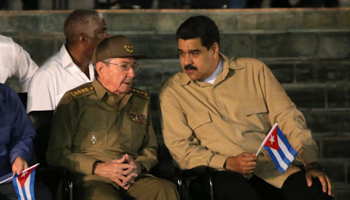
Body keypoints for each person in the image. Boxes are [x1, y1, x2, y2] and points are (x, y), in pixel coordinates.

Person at [159, 15, 334, 200]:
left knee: (317, 190)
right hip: (216, 175)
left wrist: (311, 162)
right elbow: (181, 149)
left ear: (214, 50)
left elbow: (288, 117)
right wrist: (226, 162)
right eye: (181, 53)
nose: (186, 61)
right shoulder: (172, 92)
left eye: (194, 53)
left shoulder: (253, 71)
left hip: (271, 168)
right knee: (235, 190)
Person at [46, 35, 179, 200]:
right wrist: (98, 168)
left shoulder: (140, 101)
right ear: (101, 69)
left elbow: (150, 147)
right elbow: (56, 153)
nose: (132, 74)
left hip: (133, 179)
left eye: (133, 66)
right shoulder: (75, 101)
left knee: (165, 190)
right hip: (93, 179)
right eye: (124, 66)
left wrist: (138, 166)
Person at [27, 9, 109, 113]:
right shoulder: (47, 76)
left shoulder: (102, 67)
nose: (107, 36)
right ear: (84, 38)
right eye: (102, 32)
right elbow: (40, 125)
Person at [0, 83, 50, 200]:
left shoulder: (7, 95)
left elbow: (22, 136)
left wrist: (18, 156)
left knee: (40, 194)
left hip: (5, 178)